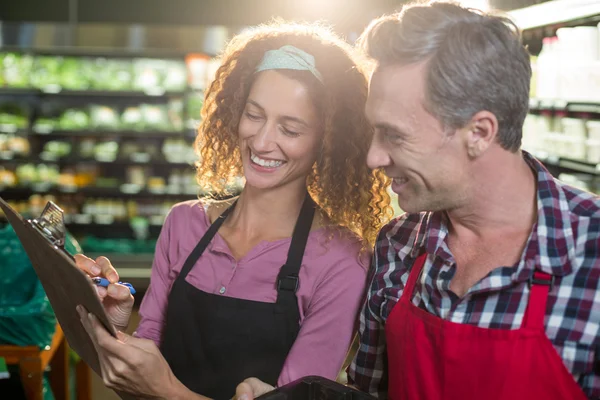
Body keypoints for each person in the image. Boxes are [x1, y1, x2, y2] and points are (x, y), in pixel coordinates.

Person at [74, 21, 392, 400]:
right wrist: (114, 331)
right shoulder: (184, 224)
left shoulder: (341, 261)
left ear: (326, 143)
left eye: (289, 129)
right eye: (254, 114)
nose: (261, 141)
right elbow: (139, 383)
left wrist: (167, 391)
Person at [343, 2, 600, 400]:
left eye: (394, 135)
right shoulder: (398, 244)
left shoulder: (591, 258)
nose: (373, 157)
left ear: (479, 132)